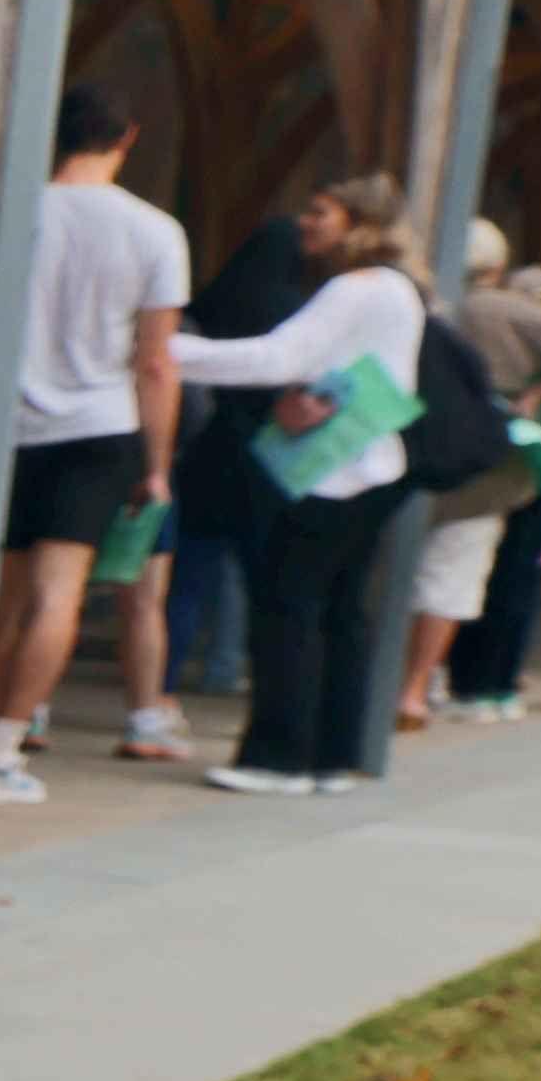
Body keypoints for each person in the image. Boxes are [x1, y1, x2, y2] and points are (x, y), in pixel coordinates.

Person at [168, 171, 434, 792]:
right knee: (341, 616)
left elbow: (277, 357)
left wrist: (164, 350)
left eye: (321, 212)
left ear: (359, 223)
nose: (304, 224)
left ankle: (277, 756)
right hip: (372, 467)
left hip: (328, 472)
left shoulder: (354, 288)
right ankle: (330, 756)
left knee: (287, 610)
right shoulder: (399, 288)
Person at [0, 79, 188, 802]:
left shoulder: (10, 211)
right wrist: (157, 465)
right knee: (56, 596)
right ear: (127, 138)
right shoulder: (155, 231)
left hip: (6, 422)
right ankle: (3, 746)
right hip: (97, 425)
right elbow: (155, 361)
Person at [409, 237, 541, 723]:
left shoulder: (487, 310)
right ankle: (469, 683)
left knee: (483, 573)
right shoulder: (529, 338)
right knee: (491, 574)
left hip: (496, 462)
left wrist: (535, 389)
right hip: (517, 466)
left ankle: (461, 682)